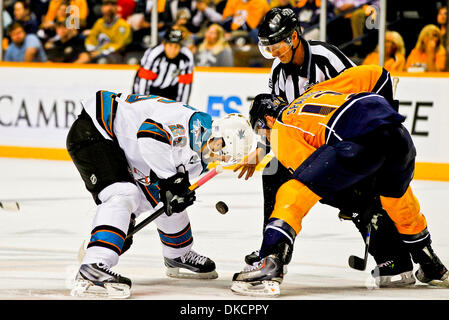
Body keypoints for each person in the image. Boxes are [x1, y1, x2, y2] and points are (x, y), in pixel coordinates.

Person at [233, 7, 417, 287]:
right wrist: (259, 150)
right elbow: (278, 118)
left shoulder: (327, 58)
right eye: (268, 47)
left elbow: (367, 90)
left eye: (278, 44)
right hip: (312, 144)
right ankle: (271, 252)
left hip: (350, 142)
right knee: (273, 172)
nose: (275, 52)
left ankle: (394, 260)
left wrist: (380, 135)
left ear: (295, 37)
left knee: (361, 196)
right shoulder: (278, 70)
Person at [231, 65, 449, 296]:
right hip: (398, 135)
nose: (263, 135)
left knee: (292, 191)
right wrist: (383, 111)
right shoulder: (317, 90)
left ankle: (271, 261)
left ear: (267, 118)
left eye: (259, 129)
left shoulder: (281, 128)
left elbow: (313, 178)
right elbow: (377, 74)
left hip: (357, 142)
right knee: (397, 198)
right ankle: (430, 263)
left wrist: (347, 201)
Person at [67, 92, 255, 298]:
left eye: (225, 157)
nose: (217, 156)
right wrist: (169, 180)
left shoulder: (200, 159)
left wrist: (128, 220)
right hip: (96, 130)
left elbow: (161, 190)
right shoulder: (187, 121)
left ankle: (177, 253)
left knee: (170, 201)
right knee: (122, 193)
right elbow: (148, 135)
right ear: (217, 133)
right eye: (221, 148)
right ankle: (94, 263)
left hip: (123, 149)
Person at [132, 27, 194, 104]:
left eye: (176, 46)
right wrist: (141, 102)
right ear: (164, 44)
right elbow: (143, 80)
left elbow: (186, 85)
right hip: (151, 90)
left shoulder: (187, 57)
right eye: (170, 45)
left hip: (170, 91)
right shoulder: (154, 53)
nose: (173, 50)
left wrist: (182, 106)